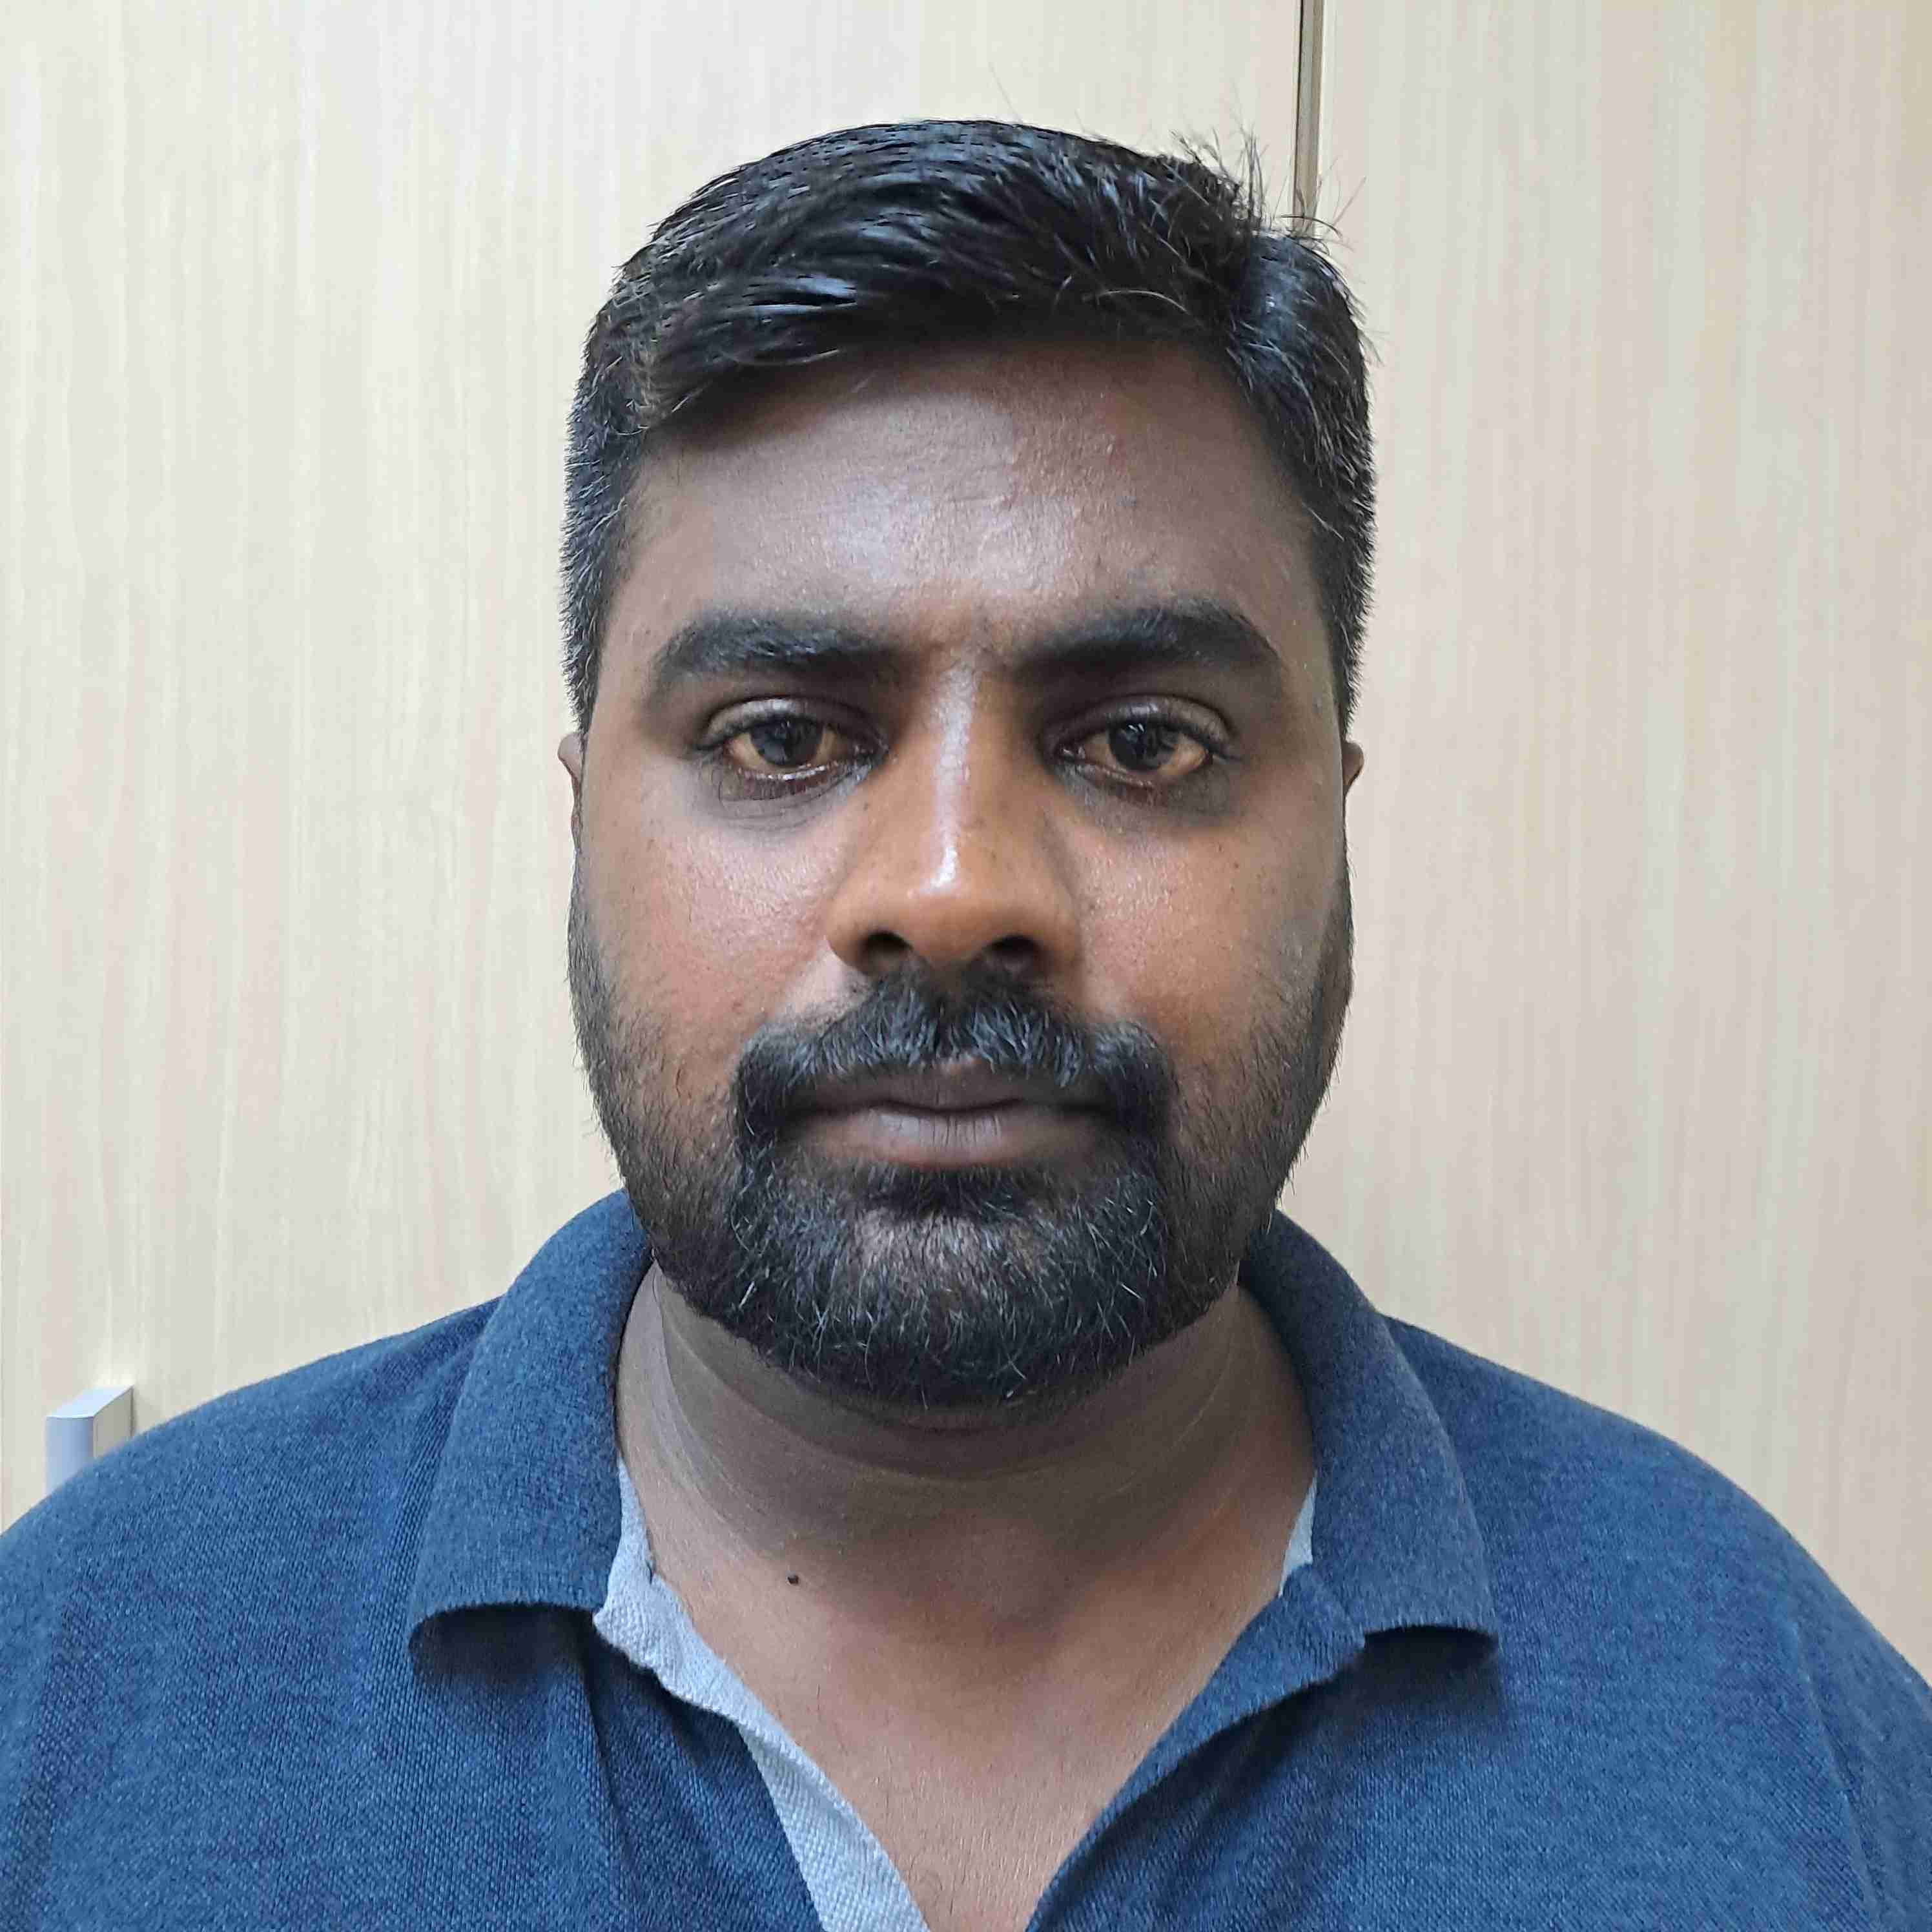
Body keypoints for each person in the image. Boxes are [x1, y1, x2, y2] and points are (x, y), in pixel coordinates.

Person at [2, 119, 1926, 1932]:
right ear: (583, 819)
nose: (948, 886)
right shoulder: (73, 1685)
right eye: (782, 738)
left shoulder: (1793, 1744)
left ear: (1338, 829)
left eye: (1143, 743)